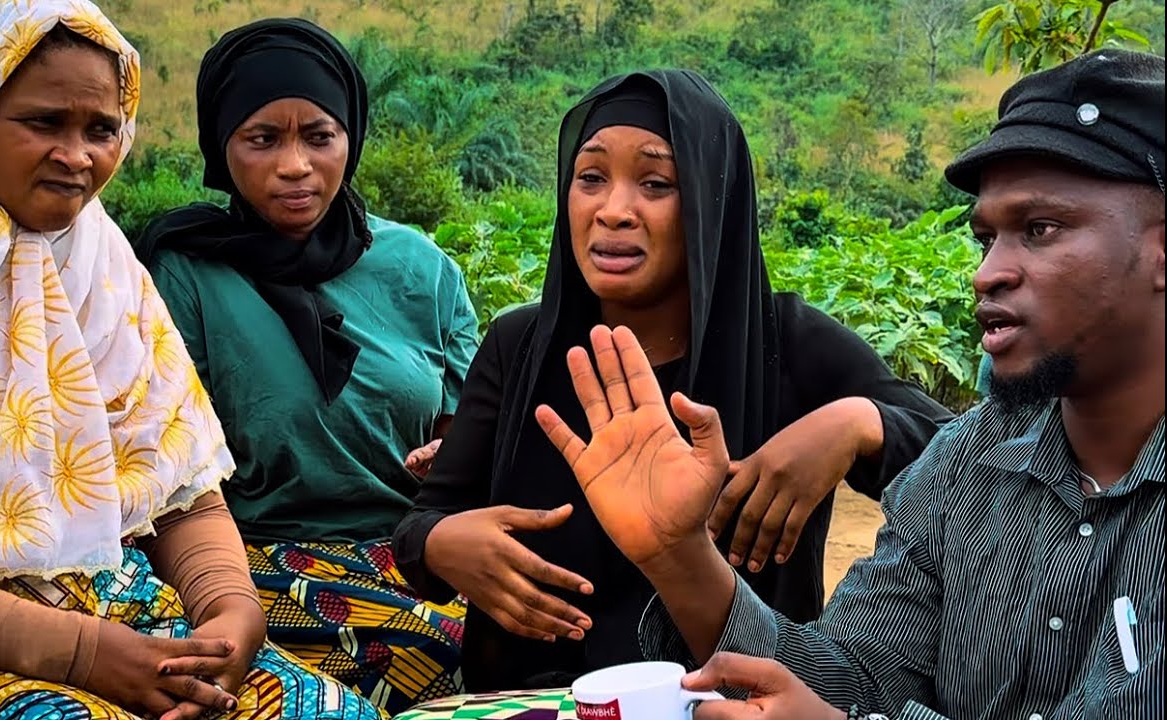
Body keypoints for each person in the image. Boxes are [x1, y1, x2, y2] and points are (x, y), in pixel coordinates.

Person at [538, 49, 1165, 720]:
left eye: (1040, 230)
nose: (989, 273)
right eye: (986, 237)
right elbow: (853, 678)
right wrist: (680, 555)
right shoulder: (965, 467)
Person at [0, 3, 380, 719]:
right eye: (43, 123)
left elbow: (178, 486)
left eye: (101, 129)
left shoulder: (100, 260)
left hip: (110, 606)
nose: (78, 156)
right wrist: (79, 654)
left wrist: (230, 613)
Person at [392, 69, 952, 691]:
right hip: (529, 698)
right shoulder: (520, 345)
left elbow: (970, 463)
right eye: (591, 179)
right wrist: (443, 543)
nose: (614, 211)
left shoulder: (788, 343)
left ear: (714, 204)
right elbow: (424, 520)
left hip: (729, 700)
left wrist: (856, 422)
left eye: (655, 183)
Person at [134, 18, 478, 714]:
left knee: (541, 639)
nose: (295, 165)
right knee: (439, 652)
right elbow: (165, 467)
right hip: (253, 562)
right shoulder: (185, 275)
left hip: (420, 549)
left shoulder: (421, 268)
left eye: (318, 137)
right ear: (221, 146)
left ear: (348, 138)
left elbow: (475, 429)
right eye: (263, 140)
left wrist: (459, 454)